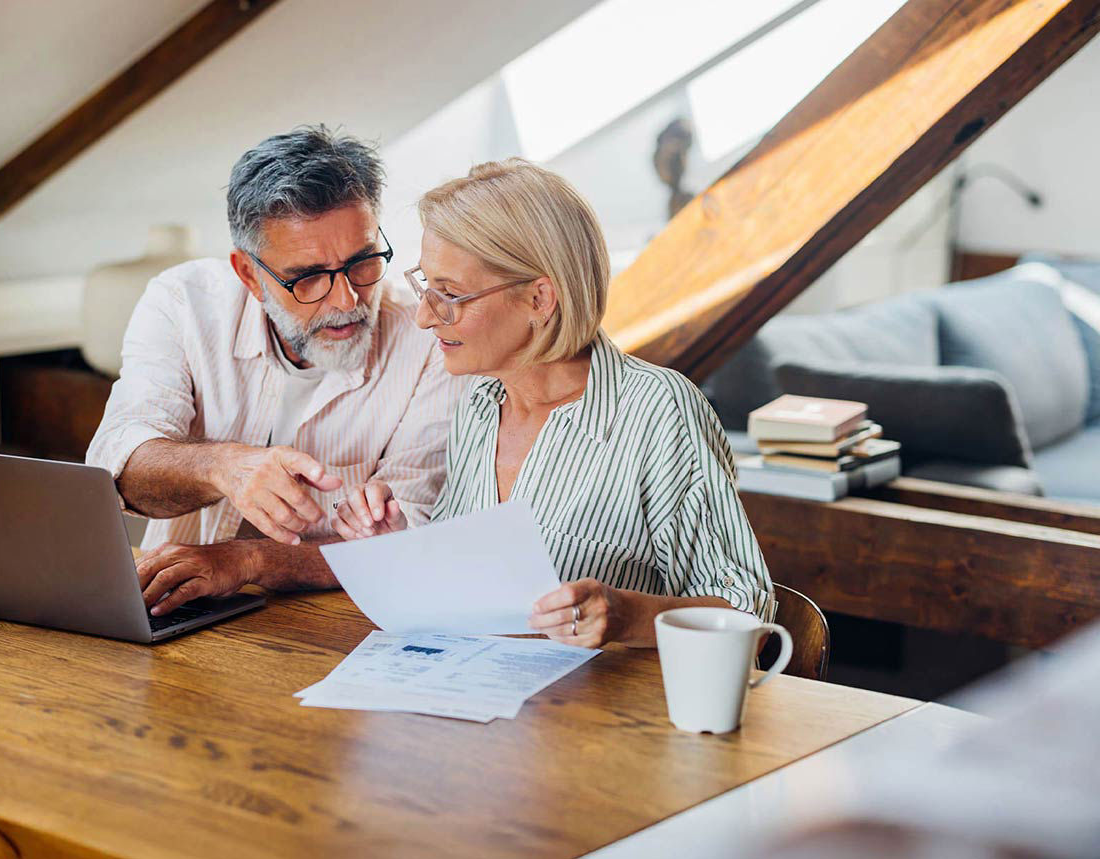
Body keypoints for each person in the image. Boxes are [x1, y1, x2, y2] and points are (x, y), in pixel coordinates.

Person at [332, 158, 774, 648]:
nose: (424, 317)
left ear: (540, 299)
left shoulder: (658, 410)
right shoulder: (479, 403)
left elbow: (746, 615)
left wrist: (626, 616)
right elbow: (470, 592)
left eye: (450, 294)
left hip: (615, 716)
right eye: (426, 285)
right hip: (486, 706)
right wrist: (395, 544)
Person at [86, 126, 463, 615]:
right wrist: (224, 466)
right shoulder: (183, 303)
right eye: (308, 278)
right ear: (249, 275)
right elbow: (118, 468)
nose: (347, 300)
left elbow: (411, 536)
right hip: (177, 615)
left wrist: (250, 561)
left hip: (347, 623)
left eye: (363, 262)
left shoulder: (430, 339)